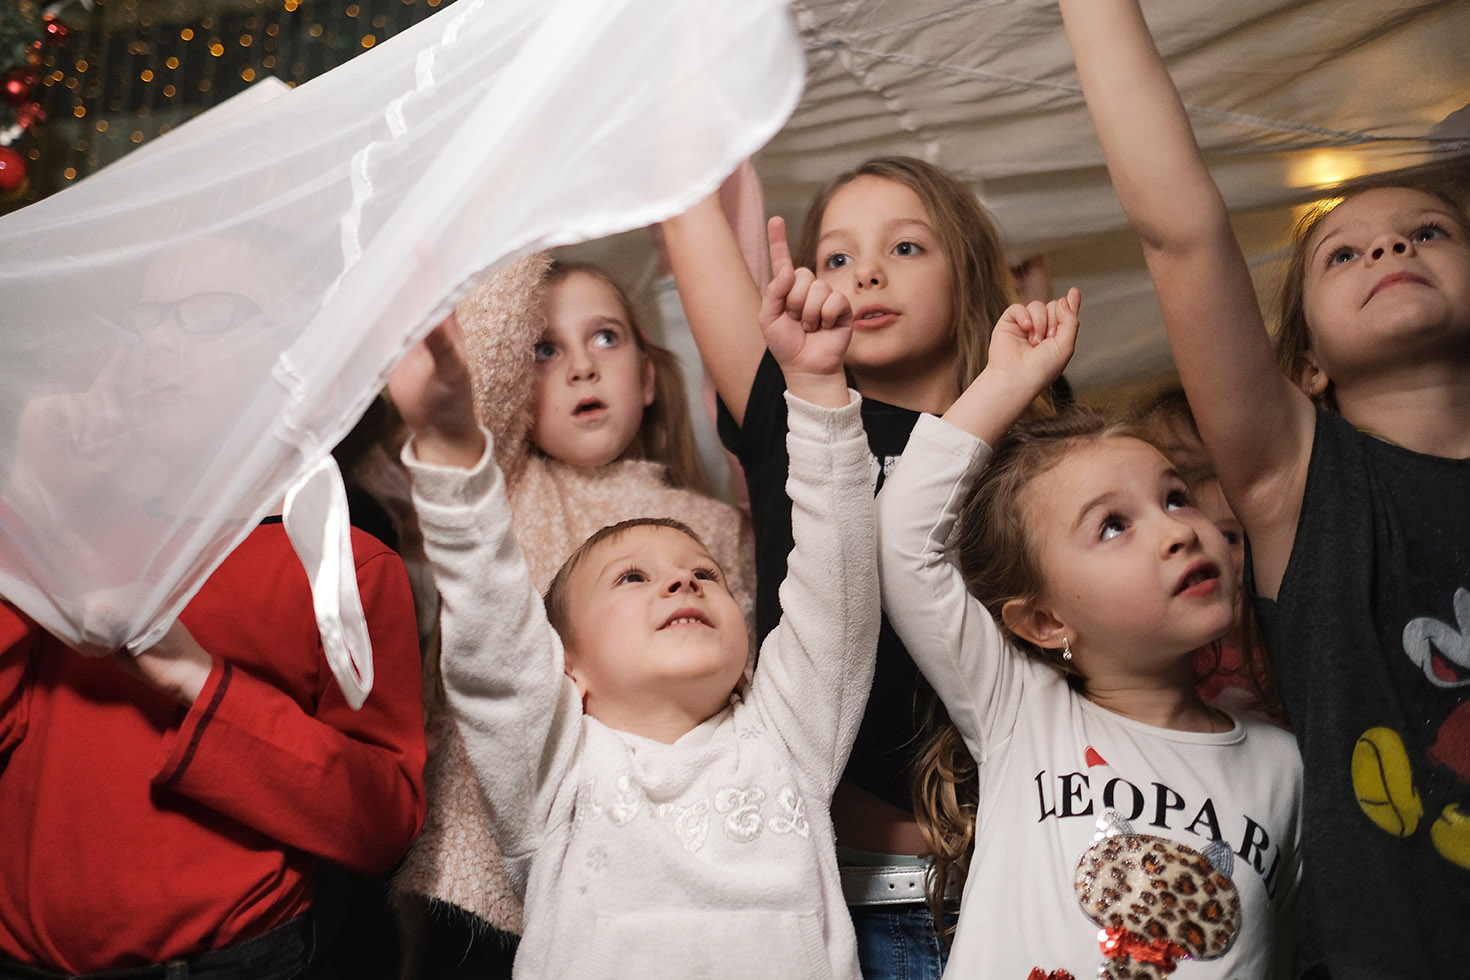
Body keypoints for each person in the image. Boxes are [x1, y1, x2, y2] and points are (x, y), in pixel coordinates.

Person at [1057, 0, 1470, 973]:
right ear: (1308, 363)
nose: (1390, 250)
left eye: (1429, 231)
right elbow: (1182, 234)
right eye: (1343, 253)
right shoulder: (1303, 484)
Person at [387, 214, 877, 978]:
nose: (683, 580)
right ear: (565, 668)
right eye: (633, 578)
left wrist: (815, 393)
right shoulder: (554, 775)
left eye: (705, 575)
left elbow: (837, 591)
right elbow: (493, 633)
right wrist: (451, 444)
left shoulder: (787, 737)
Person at [878, 289, 1302, 978]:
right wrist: (1008, 381)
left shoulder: (1285, 766)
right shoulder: (1022, 711)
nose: (1176, 532)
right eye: (1112, 525)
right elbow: (903, 538)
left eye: (1175, 498)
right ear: (1046, 622)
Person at [662, 155, 1016, 974]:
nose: (867, 274)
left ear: (968, 268)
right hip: (845, 899)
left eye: (906, 247)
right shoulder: (789, 412)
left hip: (1012, 881)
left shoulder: (1031, 440)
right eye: (837, 257)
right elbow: (682, 207)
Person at [391, 256, 755, 969]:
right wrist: (528, 208)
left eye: (606, 337)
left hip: (658, 879)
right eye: (545, 349)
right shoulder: (503, 487)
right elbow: (475, 361)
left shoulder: (717, 527)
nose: (583, 367)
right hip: (482, 891)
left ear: (647, 378)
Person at [0, 519, 427, 978]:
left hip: (225, 965)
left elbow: (382, 823)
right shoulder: (54, 533)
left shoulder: (344, 564)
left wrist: (197, 678)